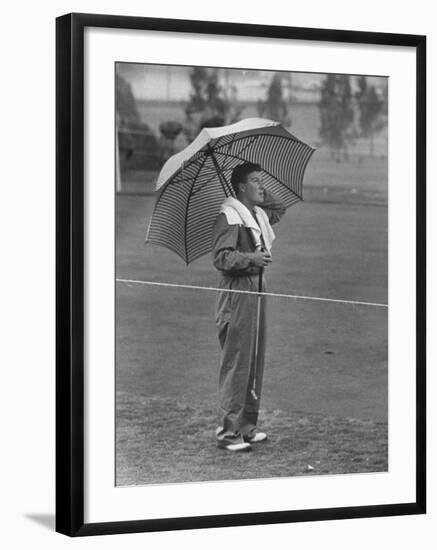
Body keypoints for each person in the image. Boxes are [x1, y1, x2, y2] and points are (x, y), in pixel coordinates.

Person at [211, 162, 286, 452]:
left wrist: (260, 188)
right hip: (238, 289)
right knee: (237, 359)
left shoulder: (256, 215)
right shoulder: (229, 216)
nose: (262, 185)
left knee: (255, 357)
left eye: (261, 180)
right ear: (241, 186)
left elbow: (280, 207)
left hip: (257, 286)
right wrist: (250, 259)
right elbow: (221, 259)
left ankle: (246, 426)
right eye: (255, 181)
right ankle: (227, 433)